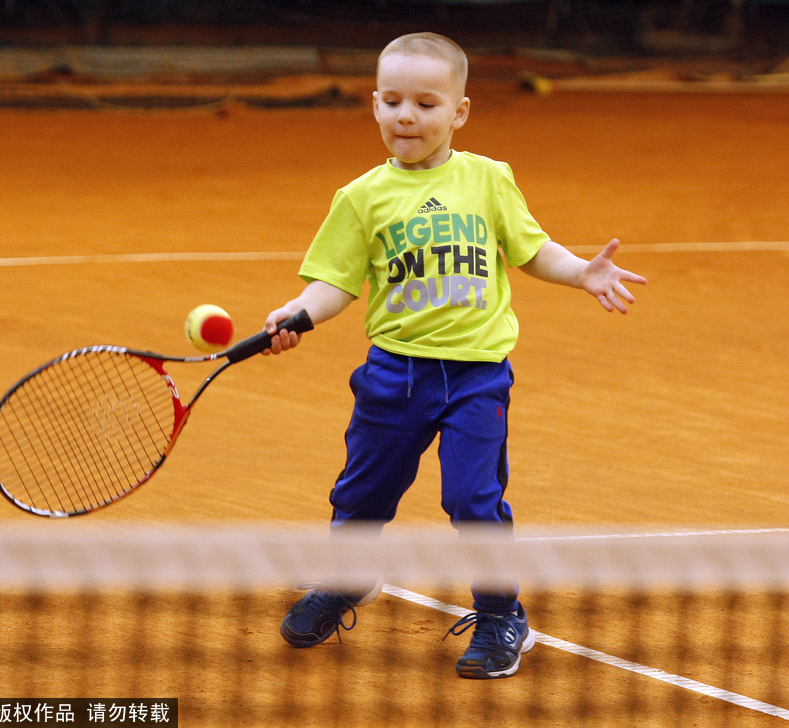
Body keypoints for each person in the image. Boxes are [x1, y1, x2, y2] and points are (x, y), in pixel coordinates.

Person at [260, 32, 646, 679]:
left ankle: (502, 617)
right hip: (393, 375)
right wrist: (295, 313)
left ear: (459, 112)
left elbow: (531, 249)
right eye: (392, 101)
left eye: (426, 103)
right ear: (374, 106)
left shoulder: (488, 179)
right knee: (360, 497)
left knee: (474, 499)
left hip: (476, 377)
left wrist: (582, 272)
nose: (406, 115)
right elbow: (334, 282)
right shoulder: (360, 198)